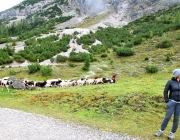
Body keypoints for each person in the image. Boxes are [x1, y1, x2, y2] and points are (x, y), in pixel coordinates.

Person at [155, 69, 180, 139]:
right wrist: (167, 101)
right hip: (172, 102)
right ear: (177, 75)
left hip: (179, 104)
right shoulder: (170, 82)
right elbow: (165, 91)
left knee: (176, 118)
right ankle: (161, 131)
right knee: (167, 117)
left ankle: (172, 133)